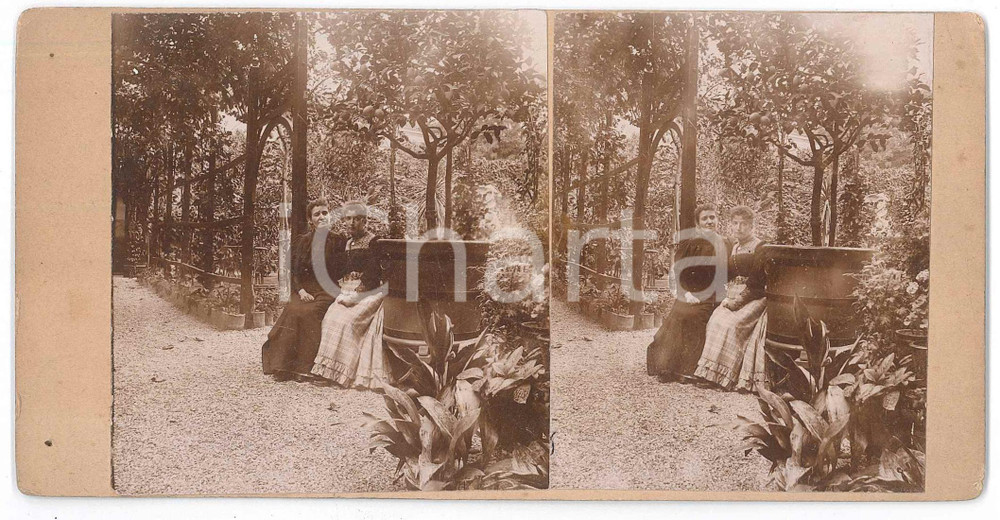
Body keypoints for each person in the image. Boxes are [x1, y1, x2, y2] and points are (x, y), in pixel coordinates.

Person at [261, 199, 344, 382]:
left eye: (324, 213)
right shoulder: (303, 241)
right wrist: (301, 291)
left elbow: (341, 270)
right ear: (310, 220)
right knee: (293, 310)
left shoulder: (338, 240)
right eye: (317, 214)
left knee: (310, 312)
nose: (321, 217)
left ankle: (304, 367)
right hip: (306, 289)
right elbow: (295, 271)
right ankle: (283, 365)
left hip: (327, 289)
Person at [647, 203, 731, 383]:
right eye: (705, 218)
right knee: (680, 315)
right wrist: (686, 294)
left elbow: (728, 272)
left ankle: (689, 368)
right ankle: (668, 366)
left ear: (717, 219)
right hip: (690, 292)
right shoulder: (689, 244)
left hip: (713, 295)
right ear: (698, 223)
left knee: (697, 317)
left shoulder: (725, 243)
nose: (709, 221)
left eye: (712, 217)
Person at [310, 201, 389, 390]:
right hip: (348, 289)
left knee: (347, 321)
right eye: (348, 219)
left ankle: (344, 373)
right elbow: (341, 271)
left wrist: (355, 295)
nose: (352, 223)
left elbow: (372, 276)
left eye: (357, 219)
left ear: (365, 221)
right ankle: (328, 371)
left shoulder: (374, 242)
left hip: (371, 292)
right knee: (330, 317)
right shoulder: (347, 243)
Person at [693, 205, 768, 391]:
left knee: (731, 325)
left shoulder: (761, 247)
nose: (739, 228)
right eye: (735, 223)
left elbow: (757, 283)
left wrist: (737, 302)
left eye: (744, 224)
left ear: (752, 226)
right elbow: (725, 275)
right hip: (733, 293)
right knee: (715, 321)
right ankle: (710, 374)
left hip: (755, 297)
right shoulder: (734, 247)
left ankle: (726, 376)